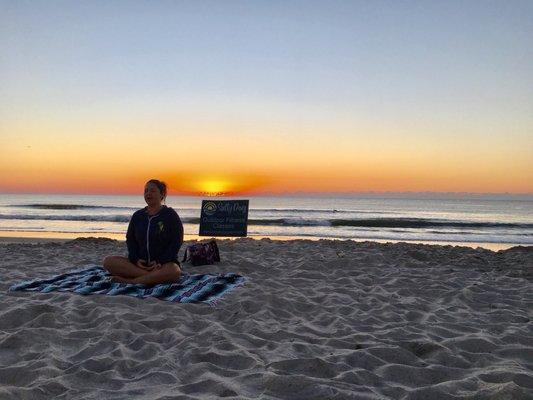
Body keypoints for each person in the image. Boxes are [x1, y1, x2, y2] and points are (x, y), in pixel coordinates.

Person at [103, 179, 184, 285]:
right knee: (108, 262)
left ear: (162, 194)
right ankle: (150, 277)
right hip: (139, 265)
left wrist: (161, 261)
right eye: (146, 191)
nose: (148, 194)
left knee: (174, 271)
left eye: (152, 191)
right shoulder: (138, 216)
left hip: (162, 265)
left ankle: (132, 281)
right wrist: (135, 259)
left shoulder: (170, 215)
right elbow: (130, 239)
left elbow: (177, 241)